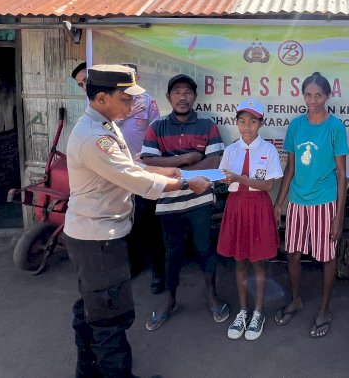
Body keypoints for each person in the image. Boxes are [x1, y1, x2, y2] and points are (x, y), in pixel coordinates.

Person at [63, 64, 212, 378]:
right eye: (125, 99)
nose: (132, 106)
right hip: (98, 239)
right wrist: (187, 182)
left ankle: (86, 369)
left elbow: (130, 164)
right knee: (110, 315)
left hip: (94, 234)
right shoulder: (94, 138)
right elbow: (137, 182)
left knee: (92, 305)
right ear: (102, 97)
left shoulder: (104, 124)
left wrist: (164, 170)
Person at [140, 74, 229, 330]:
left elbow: (213, 162)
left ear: (195, 97)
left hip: (200, 198)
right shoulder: (157, 127)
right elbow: (148, 163)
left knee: (204, 249)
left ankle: (212, 295)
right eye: (177, 92)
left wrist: (173, 169)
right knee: (173, 253)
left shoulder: (207, 125)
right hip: (168, 202)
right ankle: (170, 300)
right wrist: (185, 160)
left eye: (187, 92)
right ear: (168, 97)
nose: (182, 97)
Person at [273, 72, 349, 338]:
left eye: (318, 95)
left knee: (327, 257)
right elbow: (290, 167)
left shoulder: (335, 127)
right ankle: (295, 299)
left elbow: (342, 174)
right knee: (292, 254)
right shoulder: (295, 126)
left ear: (328, 96)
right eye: (308, 94)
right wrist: (279, 204)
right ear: (302, 95)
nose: (313, 100)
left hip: (325, 202)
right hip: (297, 201)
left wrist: (338, 217)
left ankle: (324, 309)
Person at [217, 98, 283, 341]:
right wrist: (225, 179)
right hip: (236, 207)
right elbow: (225, 178)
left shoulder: (268, 150)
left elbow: (267, 184)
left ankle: (258, 312)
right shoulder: (231, 150)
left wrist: (239, 178)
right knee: (240, 259)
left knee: (258, 261)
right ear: (236, 123)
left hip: (258, 207)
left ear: (261, 123)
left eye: (252, 121)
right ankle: (243, 311)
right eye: (242, 121)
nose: (247, 126)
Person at [117, 63, 165, 294]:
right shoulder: (111, 101)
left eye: (132, 76)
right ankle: (132, 265)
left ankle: (158, 270)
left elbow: (155, 132)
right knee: (126, 223)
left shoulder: (147, 101)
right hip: (116, 171)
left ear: (138, 77)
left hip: (143, 171)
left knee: (149, 223)